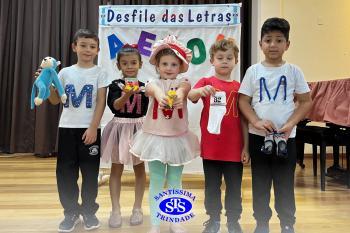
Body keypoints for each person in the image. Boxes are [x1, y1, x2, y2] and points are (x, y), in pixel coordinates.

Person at [238, 18, 312, 233]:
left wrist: (290, 124)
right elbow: (243, 100)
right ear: (260, 43)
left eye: (279, 40)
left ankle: (287, 223)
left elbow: (306, 101)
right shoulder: (253, 71)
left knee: (284, 184)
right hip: (258, 137)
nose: (273, 44)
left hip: (286, 139)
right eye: (268, 40)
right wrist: (256, 121)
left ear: (287, 44)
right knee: (260, 183)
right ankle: (262, 223)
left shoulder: (294, 71)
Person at [130, 35, 200, 233]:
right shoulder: (152, 83)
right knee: (157, 181)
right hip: (155, 139)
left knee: (176, 181)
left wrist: (178, 95)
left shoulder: (184, 82)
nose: (169, 68)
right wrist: (161, 96)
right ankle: (155, 223)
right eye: (164, 64)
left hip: (178, 139)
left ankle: (175, 220)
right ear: (157, 66)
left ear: (180, 67)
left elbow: (183, 90)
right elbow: (153, 90)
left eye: (173, 64)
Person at [188, 38, 250, 233]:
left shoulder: (240, 87)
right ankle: (213, 219)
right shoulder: (207, 82)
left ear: (236, 61)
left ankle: (233, 221)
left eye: (229, 58)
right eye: (220, 57)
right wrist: (200, 90)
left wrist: (246, 147)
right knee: (212, 187)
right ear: (211, 61)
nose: (224, 61)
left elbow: (244, 120)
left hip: (234, 149)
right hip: (212, 148)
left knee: (234, 188)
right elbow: (190, 95)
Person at [56, 29, 109, 232]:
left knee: (90, 173)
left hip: (90, 130)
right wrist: (49, 85)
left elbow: (101, 101)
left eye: (92, 47)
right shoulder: (64, 73)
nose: (88, 50)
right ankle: (70, 212)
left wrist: (94, 127)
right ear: (74, 47)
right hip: (67, 129)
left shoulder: (100, 72)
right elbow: (54, 101)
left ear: (97, 50)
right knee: (66, 173)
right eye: (83, 45)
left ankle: (88, 211)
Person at [101, 44, 149, 228]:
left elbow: (150, 109)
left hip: (139, 129)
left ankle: (137, 208)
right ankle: (115, 209)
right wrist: (126, 94)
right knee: (116, 169)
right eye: (125, 63)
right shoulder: (115, 86)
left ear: (140, 64)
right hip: (119, 129)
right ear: (119, 65)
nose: (129, 66)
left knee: (139, 169)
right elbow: (116, 107)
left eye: (133, 63)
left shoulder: (145, 87)